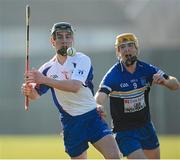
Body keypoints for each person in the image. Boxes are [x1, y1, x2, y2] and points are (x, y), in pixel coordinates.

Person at [21, 22, 122, 159]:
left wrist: (44, 80)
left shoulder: (82, 59)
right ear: (53, 41)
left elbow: (75, 86)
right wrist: (28, 91)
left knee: (114, 156)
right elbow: (35, 95)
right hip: (71, 123)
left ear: (72, 40)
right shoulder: (46, 69)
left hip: (92, 117)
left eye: (68, 37)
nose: (64, 41)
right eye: (60, 37)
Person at [95, 33, 180, 159]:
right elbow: (100, 95)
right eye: (122, 47)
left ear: (136, 49)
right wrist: (98, 105)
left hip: (146, 127)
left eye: (130, 45)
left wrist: (165, 82)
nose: (127, 49)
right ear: (118, 52)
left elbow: (175, 84)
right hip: (124, 132)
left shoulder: (147, 69)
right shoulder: (113, 74)